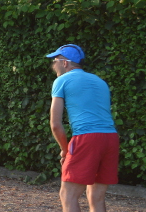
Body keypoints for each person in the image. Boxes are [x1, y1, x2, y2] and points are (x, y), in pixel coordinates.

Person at [47, 44, 119, 212]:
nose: (53, 65)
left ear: (65, 63)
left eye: (55, 60)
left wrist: (65, 150)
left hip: (87, 138)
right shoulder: (100, 82)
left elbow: (55, 124)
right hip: (111, 138)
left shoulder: (62, 80)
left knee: (68, 195)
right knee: (96, 197)